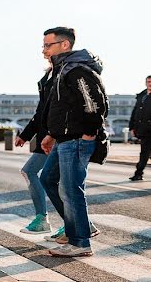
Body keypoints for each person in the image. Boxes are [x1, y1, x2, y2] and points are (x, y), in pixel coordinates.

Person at [38, 27, 108, 258]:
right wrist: (52, 134)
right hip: (64, 138)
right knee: (48, 178)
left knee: (71, 190)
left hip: (77, 139)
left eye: (48, 45)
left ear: (64, 45)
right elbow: (63, 108)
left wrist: (89, 132)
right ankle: (81, 227)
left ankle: (80, 242)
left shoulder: (76, 69)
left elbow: (94, 103)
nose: (44, 49)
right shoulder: (61, 70)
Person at [14, 61, 54, 234]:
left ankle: (76, 225)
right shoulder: (49, 76)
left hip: (57, 137)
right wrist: (25, 135)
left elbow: (62, 111)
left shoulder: (66, 73)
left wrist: (52, 135)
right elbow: (41, 112)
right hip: (48, 136)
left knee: (62, 183)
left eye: (48, 46)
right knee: (33, 173)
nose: (44, 51)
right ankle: (44, 219)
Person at [128, 76, 151, 181]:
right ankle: (138, 174)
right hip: (144, 130)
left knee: (145, 153)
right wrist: (132, 127)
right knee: (144, 153)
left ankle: (138, 173)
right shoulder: (141, 96)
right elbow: (135, 112)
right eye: (148, 82)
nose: (150, 83)